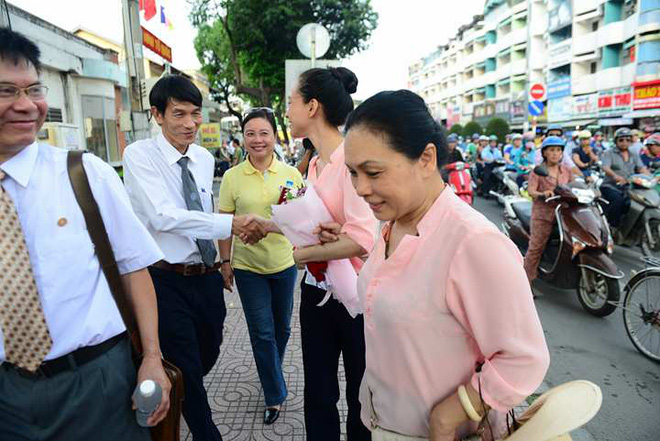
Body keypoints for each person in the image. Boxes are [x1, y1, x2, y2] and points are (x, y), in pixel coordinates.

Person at [319, 89, 549, 440]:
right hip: (382, 420)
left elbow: (524, 358)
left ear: (426, 159)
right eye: (352, 173)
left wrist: (451, 413)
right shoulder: (393, 223)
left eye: (373, 172)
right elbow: (409, 283)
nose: (362, 188)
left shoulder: (473, 242)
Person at [0, 28, 171, 440]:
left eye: (34, 89)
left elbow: (133, 269)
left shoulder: (83, 173)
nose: (25, 106)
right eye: (6, 92)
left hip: (96, 383)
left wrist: (151, 357)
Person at [122, 75, 267, 441]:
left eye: (195, 114)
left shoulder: (203, 158)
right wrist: (231, 224)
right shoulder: (139, 156)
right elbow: (162, 215)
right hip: (163, 279)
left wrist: (222, 261)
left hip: (204, 276)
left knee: (208, 349)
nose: (190, 123)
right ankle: (205, 431)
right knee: (184, 360)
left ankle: (182, 390)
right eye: (179, 114)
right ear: (156, 114)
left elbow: (201, 211)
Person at [285, 66, 377, 441]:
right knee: (318, 392)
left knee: (360, 394)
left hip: (354, 296)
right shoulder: (315, 164)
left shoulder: (349, 163)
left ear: (312, 107)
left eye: (291, 101)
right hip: (316, 291)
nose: (286, 109)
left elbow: (362, 239)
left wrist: (301, 254)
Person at [217, 108, 303, 425]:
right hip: (248, 267)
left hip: (283, 264)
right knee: (262, 333)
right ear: (243, 137)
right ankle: (274, 394)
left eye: (263, 133)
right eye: (250, 133)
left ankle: (271, 373)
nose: (257, 140)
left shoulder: (292, 175)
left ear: (273, 137)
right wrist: (225, 262)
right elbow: (225, 224)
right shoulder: (231, 176)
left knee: (282, 329)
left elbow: (300, 221)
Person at [524, 136, 575, 281]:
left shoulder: (566, 170)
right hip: (544, 214)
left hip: (565, 213)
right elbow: (531, 192)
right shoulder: (538, 171)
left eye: (558, 150)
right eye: (551, 150)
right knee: (535, 249)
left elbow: (574, 185)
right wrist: (543, 193)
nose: (555, 153)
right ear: (544, 153)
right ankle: (526, 283)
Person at [599, 127, 651, 229]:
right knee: (618, 200)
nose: (624, 142)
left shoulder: (633, 153)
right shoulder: (609, 153)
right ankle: (612, 226)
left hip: (629, 186)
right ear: (616, 141)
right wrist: (616, 176)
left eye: (627, 140)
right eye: (621, 140)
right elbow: (605, 167)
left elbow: (641, 168)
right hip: (610, 186)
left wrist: (651, 178)